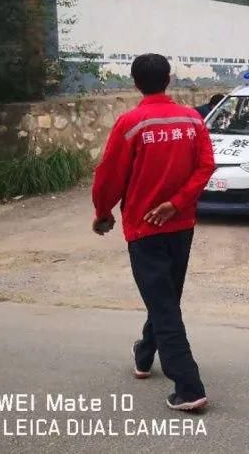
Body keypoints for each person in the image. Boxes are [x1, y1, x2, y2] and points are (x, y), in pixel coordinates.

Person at [91, 53, 215, 413]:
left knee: (163, 304)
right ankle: (145, 355)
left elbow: (109, 175)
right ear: (169, 79)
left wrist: (102, 213)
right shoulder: (191, 119)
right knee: (165, 299)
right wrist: (176, 203)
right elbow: (206, 166)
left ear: (134, 82)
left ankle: (189, 387)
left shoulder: (131, 123)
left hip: (145, 228)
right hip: (180, 227)